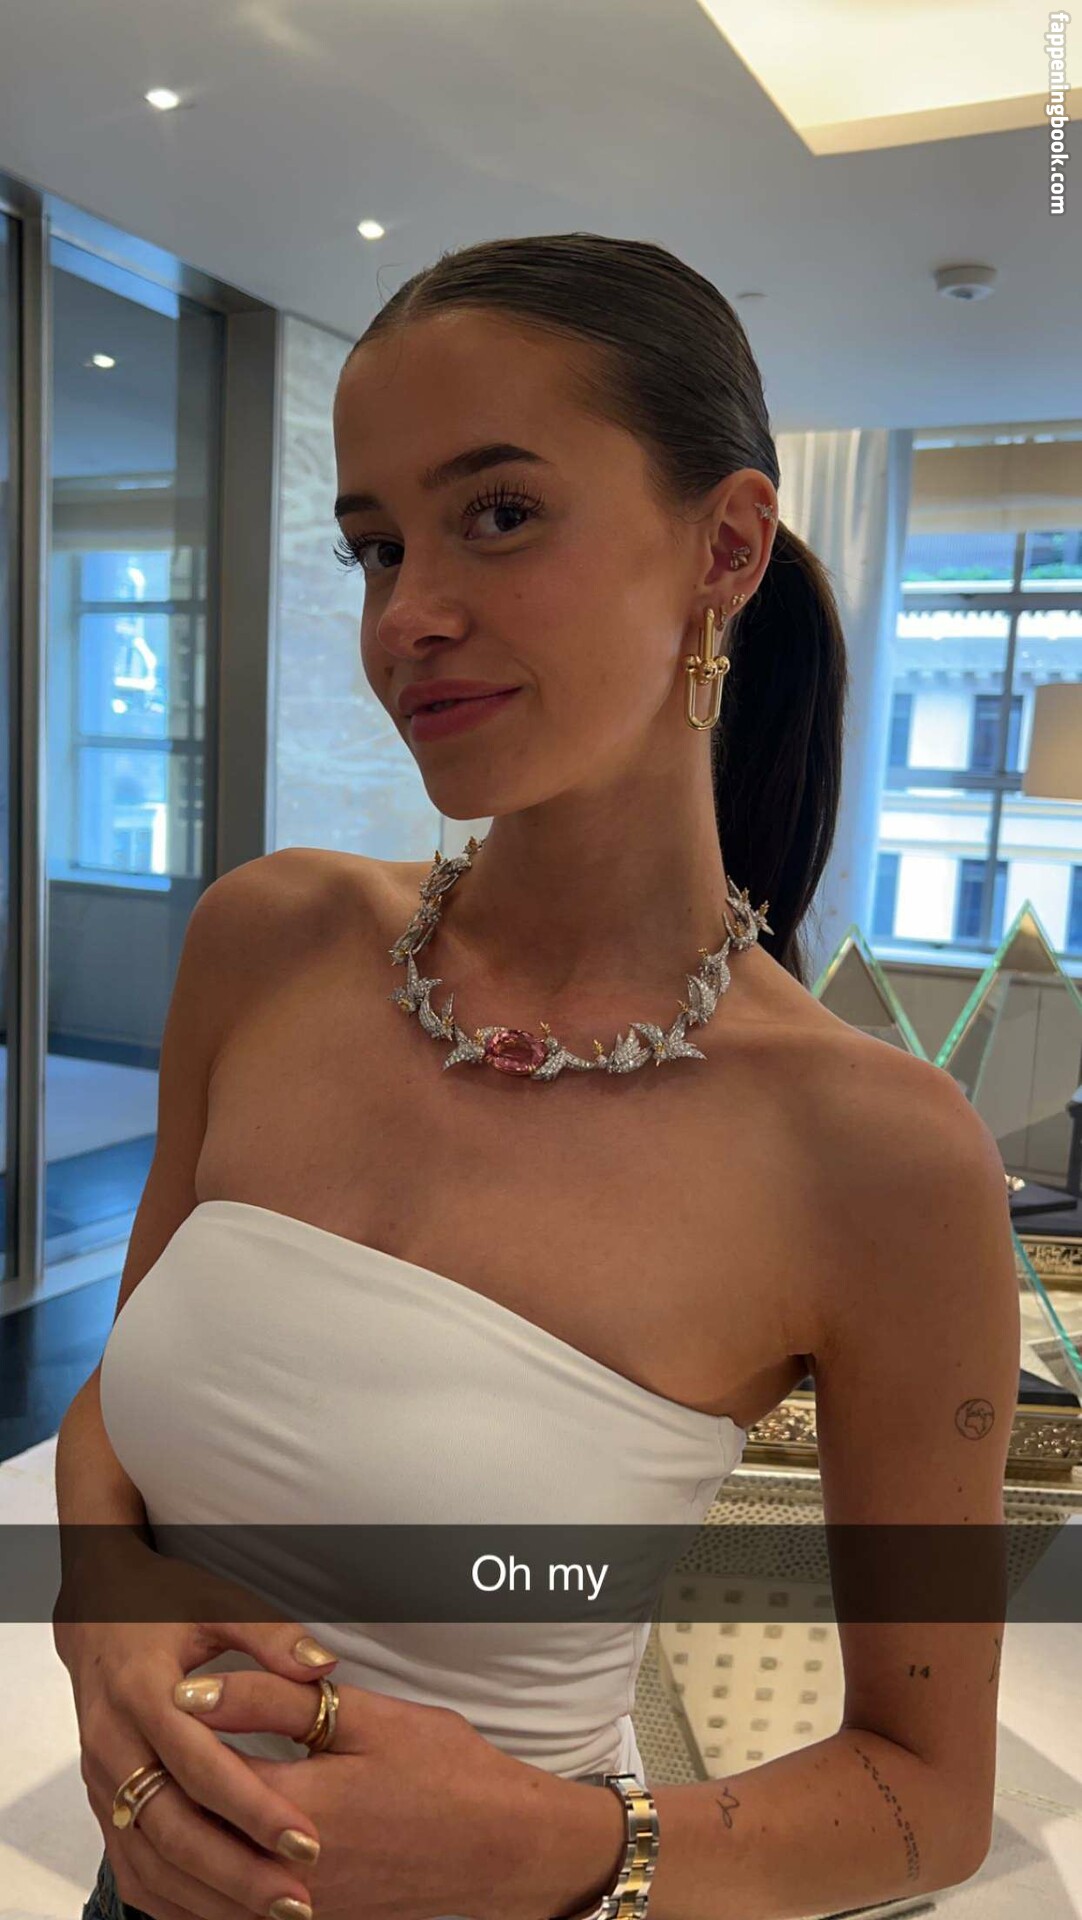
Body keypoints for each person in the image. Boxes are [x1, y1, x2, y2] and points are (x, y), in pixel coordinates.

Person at [54, 232, 1019, 1920]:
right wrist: (99, 1605)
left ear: (723, 546)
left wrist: (564, 1846)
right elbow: (116, 1413)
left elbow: (925, 1798)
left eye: (498, 514)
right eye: (375, 545)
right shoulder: (267, 942)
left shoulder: (872, 1152)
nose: (406, 618)